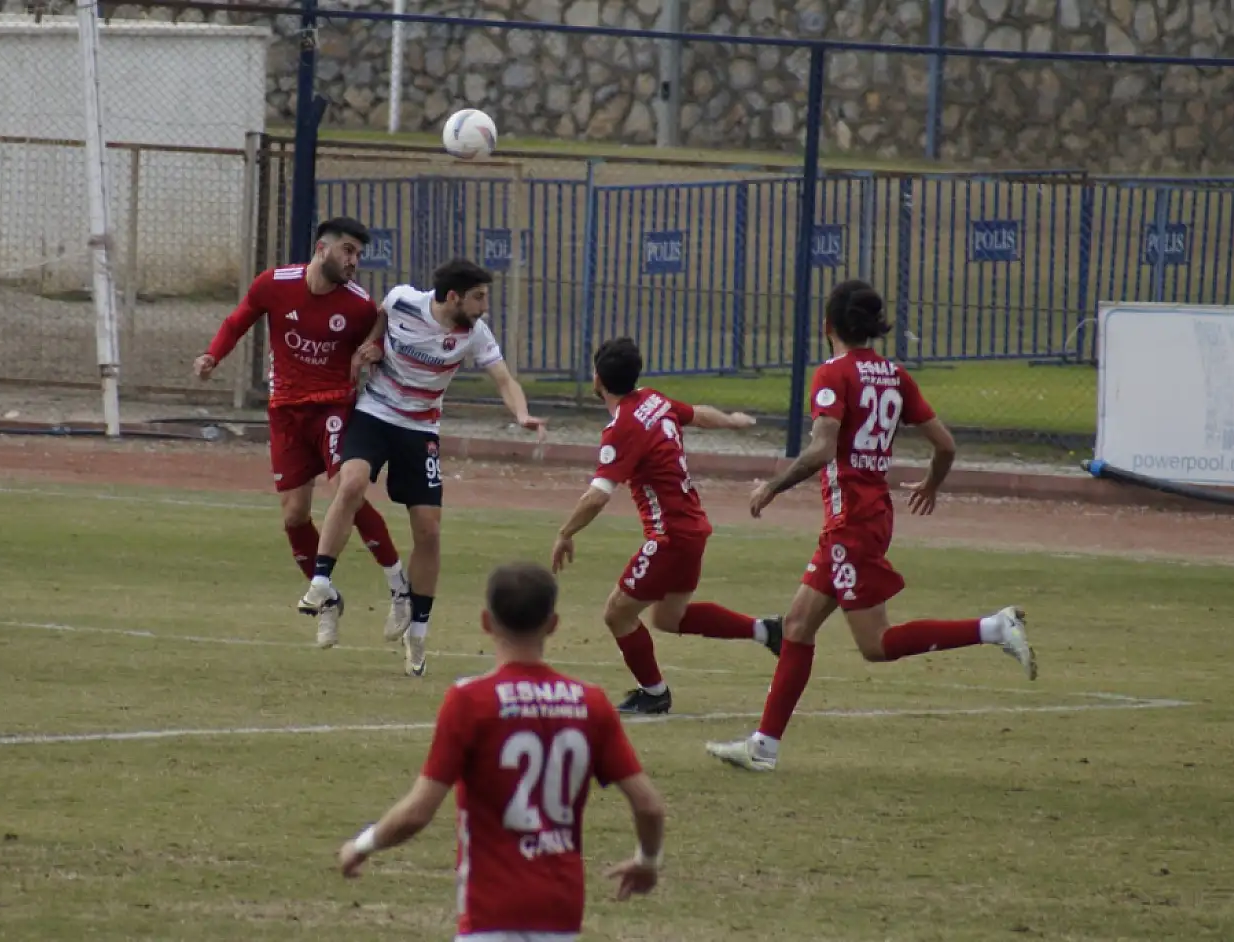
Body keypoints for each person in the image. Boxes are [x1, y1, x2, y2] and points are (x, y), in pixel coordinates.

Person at [706, 279, 1037, 773]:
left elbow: (821, 448)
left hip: (852, 521)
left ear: (827, 326)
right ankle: (764, 747)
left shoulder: (832, 374)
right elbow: (945, 444)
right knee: (796, 626)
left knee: (875, 644)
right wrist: (930, 483)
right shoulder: (895, 376)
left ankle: (993, 628)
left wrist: (773, 486)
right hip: (869, 514)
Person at [336, 562, 667, 941]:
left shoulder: (470, 701)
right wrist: (647, 861)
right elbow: (649, 806)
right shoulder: (590, 702)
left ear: (486, 622)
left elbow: (417, 812)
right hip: (560, 911)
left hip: (490, 913)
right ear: (553, 624)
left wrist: (362, 845)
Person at [298, 259, 545, 677]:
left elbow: (504, 379)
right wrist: (373, 344)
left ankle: (418, 629)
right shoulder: (403, 300)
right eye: (479, 297)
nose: (485, 306)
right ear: (454, 297)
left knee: (428, 530)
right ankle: (321, 581)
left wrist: (521, 414)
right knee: (351, 482)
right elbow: (381, 315)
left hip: (420, 428)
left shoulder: (475, 335)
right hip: (375, 413)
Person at [194, 217, 410, 648]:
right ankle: (328, 600)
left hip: (334, 406)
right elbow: (238, 321)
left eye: (358, 254)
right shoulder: (275, 284)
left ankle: (398, 584)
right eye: (348, 251)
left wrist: (375, 348)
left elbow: (381, 333)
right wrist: (211, 355)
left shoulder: (358, 303)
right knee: (294, 515)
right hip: (285, 413)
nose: (354, 261)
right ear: (321, 249)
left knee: (348, 489)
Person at [550, 337, 784, 716]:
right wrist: (732, 422)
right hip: (691, 528)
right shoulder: (652, 399)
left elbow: (597, 495)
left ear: (597, 379)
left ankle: (654, 693)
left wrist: (565, 533)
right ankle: (766, 631)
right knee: (667, 617)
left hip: (670, 535)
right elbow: (698, 414)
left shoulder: (622, 427)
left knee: (617, 614)